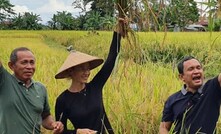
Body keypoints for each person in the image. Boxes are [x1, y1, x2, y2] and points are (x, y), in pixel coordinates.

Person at [54, 19, 127, 134]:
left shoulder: (95, 86)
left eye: (88, 68)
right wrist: (77, 132)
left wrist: (117, 31)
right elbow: (60, 131)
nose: (87, 72)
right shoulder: (62, 100)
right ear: (71, 71)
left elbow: (112, 58)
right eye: (82, 69)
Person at [0, 47, 64, 134]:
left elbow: (45, 116)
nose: (29, 67)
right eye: (24, 62)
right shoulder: (4, 81)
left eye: (32, 62)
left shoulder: (41, 88)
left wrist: (54, 124)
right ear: (11, 65)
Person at [159, 56, 221, 134]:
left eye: (198, 68)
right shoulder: (172, 99)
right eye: (191, 69)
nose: (196, 71)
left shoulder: (213, 88)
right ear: (182, 77)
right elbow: (164, 127)